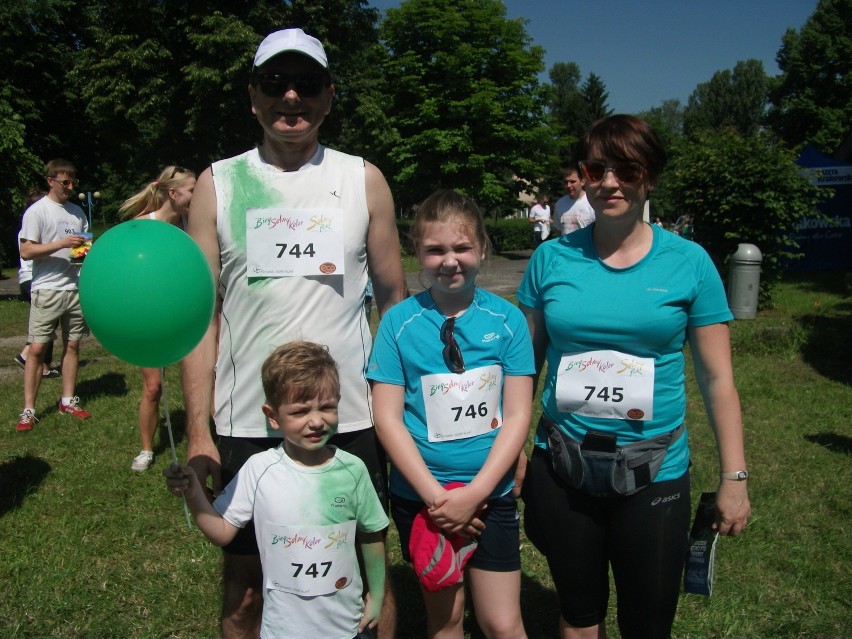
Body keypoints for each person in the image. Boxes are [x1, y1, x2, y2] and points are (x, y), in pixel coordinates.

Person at [180, 28, 406, 639]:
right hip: (248, 422)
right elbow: (200, 316)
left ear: (328, 96)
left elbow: (394, 302)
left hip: (348, 415)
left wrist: (398, 409)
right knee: (248, 587)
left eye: (306, 84)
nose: (290, 97)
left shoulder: (363, 180)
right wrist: (199, 428)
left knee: (362, 576)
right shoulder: (217, 183)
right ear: (252, 96)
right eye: (274, 83)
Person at [517, 115, 751, 639]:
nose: (609, 182)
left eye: (627, 169)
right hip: (563, 464)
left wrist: (734, 477)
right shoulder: (550, 259)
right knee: (578, 615)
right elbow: (524, 368)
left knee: (647, 624)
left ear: (650, 176)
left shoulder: (689, 264)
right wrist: (510, 448)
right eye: (596, 168)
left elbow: (719, 382)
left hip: (655, 471)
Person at [368, 189, 534, 639]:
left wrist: (476, 492)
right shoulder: (398, 324)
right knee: (447, 617)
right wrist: (438, 500)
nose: (450, 260)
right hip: (425, 499)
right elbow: (387, 418)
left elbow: (518, 414)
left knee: (502, 622)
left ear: (481, 248)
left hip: (491, 493)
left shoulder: (508, 321)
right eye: (435, 249)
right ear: (416, 253)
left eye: (461, 247)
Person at [165, 341, 388, 639]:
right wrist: (194, 494)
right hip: (283, 629)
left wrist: (377, 595)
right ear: (272, 415)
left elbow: (371, 536)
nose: (316, 421)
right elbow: (222, 532)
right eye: (300, 411)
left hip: (347, 627)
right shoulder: (259, 470)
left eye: (327, 407)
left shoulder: (353, 470)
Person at [117, 165, 197, 471]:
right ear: (173, 193)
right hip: (150, 317)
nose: (197, 196)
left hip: (188, 314)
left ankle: (201, 437)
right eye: (192, 190)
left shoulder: (193, 225)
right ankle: (147, 450)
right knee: (153, 387)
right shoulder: (141, 226)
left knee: (200, 382)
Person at [16, 158, 93, 432]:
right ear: (50, 181)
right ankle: (29, 409)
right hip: (46, 288)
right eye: (65, 182)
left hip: (74, 288)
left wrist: (85, 252)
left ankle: (67, 400)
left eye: (73, 182)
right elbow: (27, 251)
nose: (70, 187)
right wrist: (61, 243)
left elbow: (80, 253)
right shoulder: (37, 212)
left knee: (72, 345)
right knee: (37, 349)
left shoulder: (77, 213)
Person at [15, 188, 59, 380]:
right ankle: (31, 358)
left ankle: (37, 360)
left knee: (45, 324)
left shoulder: (27, 227)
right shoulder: (33, 227)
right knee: (47, 324)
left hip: (27, 280)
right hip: (35, 280)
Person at [554, 168, 595, 235]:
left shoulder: (592, 202)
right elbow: (558, 230)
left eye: (572, 182)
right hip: (564, 244)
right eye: (566, 182)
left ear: (582, 182)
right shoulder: (560, 204)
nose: (568, 185)